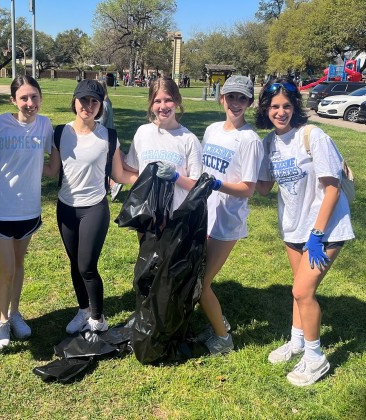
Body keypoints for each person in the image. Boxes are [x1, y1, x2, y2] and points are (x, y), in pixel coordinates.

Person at [255, 77, 354, 386]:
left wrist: (317, 234)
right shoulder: (270, 142)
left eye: (286, 106)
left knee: (302, 291)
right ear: (266, 110)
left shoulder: (313, 136)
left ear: (295, 107)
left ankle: (315, 358)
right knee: (298, 289)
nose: (280, 112)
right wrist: (223, 179)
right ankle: (297, 341)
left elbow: (333, 189)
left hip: (324, 228)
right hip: (292, 228)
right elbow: (261, 188)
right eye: (274, 107)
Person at [43, 79, 137, 334]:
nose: (88, 105)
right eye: (84, 99)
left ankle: (98, 318)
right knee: (75, 264)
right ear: (74, 101)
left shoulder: (108, 136)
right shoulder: (60, 133)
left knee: (87, 266)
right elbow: (52, 170)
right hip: (65, 208)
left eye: (94, 101)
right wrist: (18, 164)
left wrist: (149, 179)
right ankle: (83, 310)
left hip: (94, 208)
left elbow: (119, 174)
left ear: (101, 106)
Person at [0, 75, 53, 349]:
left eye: (34, 97)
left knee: (19, 266)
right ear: (13, 100)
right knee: (7, 269)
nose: (30, 103)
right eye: (23, 98)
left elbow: (50, 165)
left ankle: (15, 313)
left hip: (28, 209)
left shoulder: (45, 125)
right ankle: (2, 320)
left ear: (40, 98)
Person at [198, 75, 264, 355]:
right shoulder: (212, 130)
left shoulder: (250, 140)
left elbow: (248, 188)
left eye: (242, 98)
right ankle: (215, 322)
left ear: (249, 102)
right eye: (231, 97)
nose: (235, 103)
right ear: (221, 97)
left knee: (201, 285)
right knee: (196, 276)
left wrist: (216, 184)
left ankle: (224, 338)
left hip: (227, 222)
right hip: (203, 214)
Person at [124, 76, 203, 215]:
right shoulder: (143, 132)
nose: (163, 106)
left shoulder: (189, 139)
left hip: (175, 218)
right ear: (151, 104)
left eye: (168, 100)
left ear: (177, 101)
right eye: (157, 101)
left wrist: (175, 177)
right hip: (145, 215)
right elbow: (132, 167)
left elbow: (196, 185)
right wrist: (110, 144)